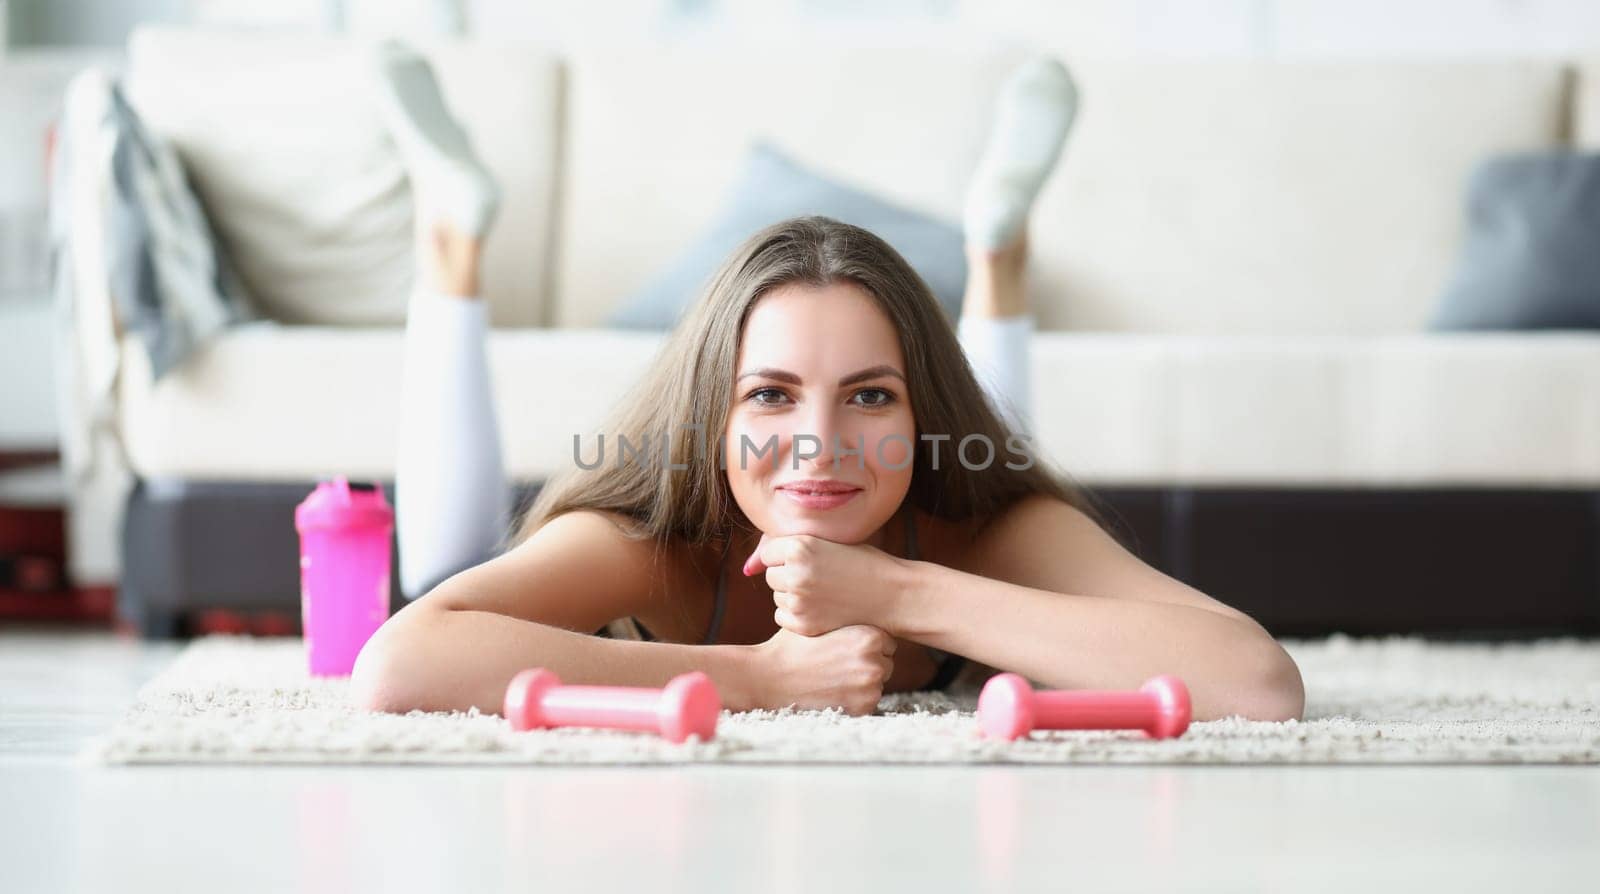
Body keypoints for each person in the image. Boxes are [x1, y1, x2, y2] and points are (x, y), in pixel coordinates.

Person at [351, 42, 1305, 724]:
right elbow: (398, 663)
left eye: (871, 395)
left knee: (985, 448)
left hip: (936, 514)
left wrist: (900, 591)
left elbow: (1255, 681)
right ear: (711, 417)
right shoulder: (652, 540)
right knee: (441, 568)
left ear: (918, 412)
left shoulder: (985, 528)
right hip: (555, 560)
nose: (820, 442)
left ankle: (995, 261)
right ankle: (453, 244)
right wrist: (757, 678)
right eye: (769, 395)